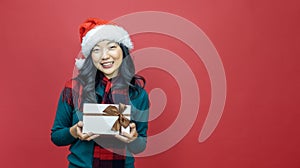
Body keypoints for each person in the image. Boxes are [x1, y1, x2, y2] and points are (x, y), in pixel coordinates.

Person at [51, 18, 149, 168]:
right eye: (96, 50)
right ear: (91, 57)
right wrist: (74, 131)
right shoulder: (74, 88)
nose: (104, 56)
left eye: (111, 47)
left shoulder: (138, 94)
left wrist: (134, 137)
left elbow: (140, 146)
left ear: (122, 51)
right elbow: (56, 136)